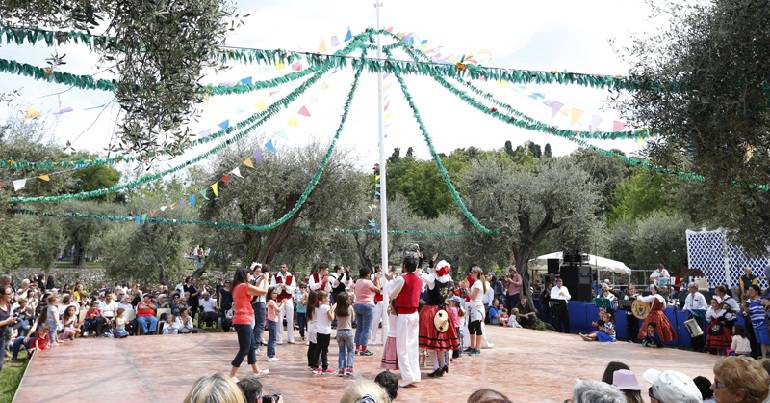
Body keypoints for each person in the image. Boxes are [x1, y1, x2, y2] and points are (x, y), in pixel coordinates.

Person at [384, 254, 422, 388]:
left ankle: (408, 376)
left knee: (402, 347)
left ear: (404, 266)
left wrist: (390, 280)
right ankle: (415, 375)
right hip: (415, 314)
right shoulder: (419, 279)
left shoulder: (402, 278)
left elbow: (392, 293)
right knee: (413, 345)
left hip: (404, 315)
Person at [419, 260, 459, 375]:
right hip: (443, 311)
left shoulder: (432, 278)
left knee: (430, 342)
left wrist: (423, 263)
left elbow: (421, 274)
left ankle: (436, 367)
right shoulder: (449, 279)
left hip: (431, 311)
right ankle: (443, 364)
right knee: (440, 341)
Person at [229, 268, 269, 382]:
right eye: (248, 275)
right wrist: (266, 279)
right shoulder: (244, 286)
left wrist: (259, 280)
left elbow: (253, 292)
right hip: (243, 320)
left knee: (251, 347)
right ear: (244, 276)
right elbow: (264, 292)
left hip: (242, 320)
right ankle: (231, 375)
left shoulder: (238, 287)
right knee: (245, 349)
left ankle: (256, 371)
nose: (249, 277)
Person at [354, 266, 380, 357]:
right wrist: (377, 280)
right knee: (367, 328)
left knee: (359, 328)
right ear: (368, 274)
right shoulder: (368, 282)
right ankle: (364, 349)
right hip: (368, 305)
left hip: (357, 304)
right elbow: (378, 290)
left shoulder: (357, 281)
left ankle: (357, 348)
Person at [270, 263, 296, 344]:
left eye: (284, 267)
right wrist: (279, 286)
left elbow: (293, 287)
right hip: (279, 299)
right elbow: (271, 286)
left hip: (288, 299)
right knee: (279, 319)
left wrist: (286, 287)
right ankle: (279, 338)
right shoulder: (275, 276)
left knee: (290, 319)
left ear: (287, 268)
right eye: (281, 267)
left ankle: (291, 338)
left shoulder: (291, 276)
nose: (282, 268)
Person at [465, 266, 488, 356]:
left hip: (477, 307)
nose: (471, 274)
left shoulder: (478, 283)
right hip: (473, 307)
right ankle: (472, 346)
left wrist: (467, 288)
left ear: (476, 273)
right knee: (471, 327)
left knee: (477, 328)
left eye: (473, 272)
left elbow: (473, 297)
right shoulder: (476, 283)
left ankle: (477, 348)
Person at [744, 284, 770, 359]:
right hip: (755, 325)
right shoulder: (750, 302)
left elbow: (768, 306)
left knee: (766, 342)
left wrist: (766, 311)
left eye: (751, 290)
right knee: (762, 343)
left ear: (756, 291)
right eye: (749, 290)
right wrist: (744, 304)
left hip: (762, 323)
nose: (749, 291)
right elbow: (748, 312)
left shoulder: (762, 299)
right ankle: (764, 358)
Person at [312, 290, 334, 375]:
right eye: (327, 297)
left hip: (319, 330)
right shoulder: (326, 307)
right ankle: (324, 367)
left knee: (318, 349)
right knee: (324, 350)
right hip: (325, 331)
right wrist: (332, 310)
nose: (328, 298)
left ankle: (315, 366)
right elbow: (331, 318)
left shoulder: (318, 306)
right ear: (324, 298)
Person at [335, 291, 355, 376]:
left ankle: (341, 369)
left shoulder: (337, 309)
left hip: (339, 331)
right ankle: (349, 368)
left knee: (341, 351)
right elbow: (353, 319)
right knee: (350, 350)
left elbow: (335, 319)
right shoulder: (350, 307)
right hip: (348, 331)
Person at [370, 264, 391, 346]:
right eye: (378, 268)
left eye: (381, 268)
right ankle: (373, 339)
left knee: (386, 321)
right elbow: (375, 286)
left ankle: (384, 339)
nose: (380, 269)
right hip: (378, 301)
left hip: (386, 301)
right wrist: (376, 278)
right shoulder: (374, 276)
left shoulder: (386, 277)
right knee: (375, 320)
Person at [249, 263, 268, 350]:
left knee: (257, 324)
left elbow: (266, 290)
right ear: (253, 271)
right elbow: (260, 291)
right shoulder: (251, 279)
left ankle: (253, 343)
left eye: (260, 271)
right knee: (259, 324)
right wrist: (262, 280)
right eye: (257, 271)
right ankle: (255, 345)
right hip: (257, 303)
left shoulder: (262, 279)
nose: (259, 273)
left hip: (261, 302)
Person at [380, 299, 399, 371]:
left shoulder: (389, 313)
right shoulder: (399, 315)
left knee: (389, 352)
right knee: (398, 353)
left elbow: (388, 308)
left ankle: (387, 369)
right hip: (398, 336)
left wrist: (390, 304)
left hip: (391, 335)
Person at [0, 286, 16, 367]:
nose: (11, 295)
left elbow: (7, 320)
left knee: (0, 365)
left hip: (1, 337)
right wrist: (7, 321)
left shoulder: (9, 305)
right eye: (9, 293)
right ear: (1, 295)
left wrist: (11, 321)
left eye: (12, 293)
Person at [265, 288, 283, 361]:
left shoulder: (272, 302)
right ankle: (271, 355)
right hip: (272, 321)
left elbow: (276, 312)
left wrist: (280, 304)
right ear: (270, 294)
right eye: (273, 293)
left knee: (273, 338)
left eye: (276, 293)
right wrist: (283, 304)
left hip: (273, 321)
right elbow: (278, 310)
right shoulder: (271, 301)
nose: (275, 295)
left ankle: (272, 354)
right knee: (272, 339)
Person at [306, 290, 320, 370]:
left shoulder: (309, 306)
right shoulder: (316, 307)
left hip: (311, 327)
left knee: (311, 346)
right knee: (315, 347)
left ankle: (310, 363)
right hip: (315, 328)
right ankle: (315, 363)